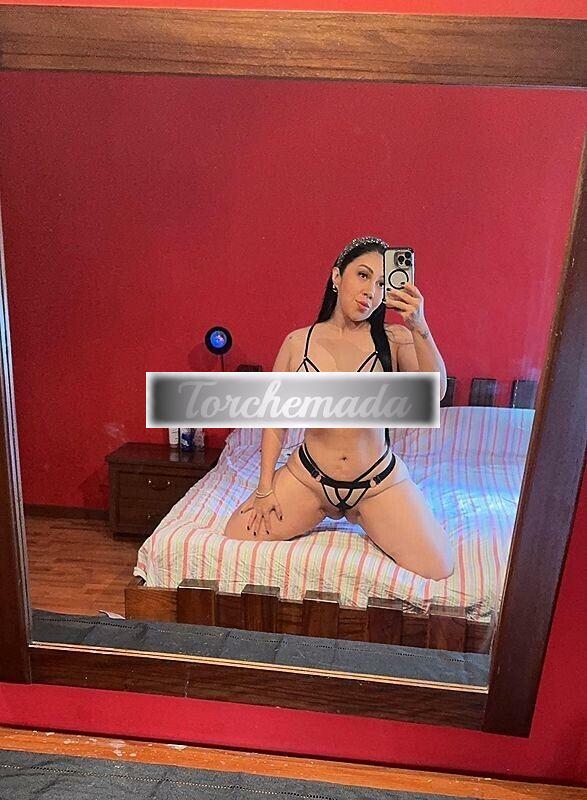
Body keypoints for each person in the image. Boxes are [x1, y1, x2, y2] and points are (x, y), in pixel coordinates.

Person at [223, 236, 454, 580]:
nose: (370, 292)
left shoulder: (395, 340)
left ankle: (365, 514)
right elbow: (275, 420)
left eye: (381, 283)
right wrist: (265, 488)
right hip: (309, 480)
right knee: (236, 533)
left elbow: (435, 392)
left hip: (376, 483)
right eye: (362, 275)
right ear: (336, 276)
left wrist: (419, 326)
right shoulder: (298, 342)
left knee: (438, 565)